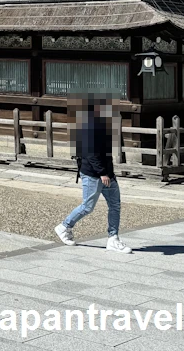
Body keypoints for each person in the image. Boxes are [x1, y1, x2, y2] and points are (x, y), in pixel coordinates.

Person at [54, 96, 133, 253]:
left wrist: (109, 173)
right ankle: (64, 226)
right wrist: (103, 173)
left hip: (107, 174)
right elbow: (91, 154)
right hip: (93, 174)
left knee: (115, 205)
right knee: (87, 207)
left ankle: (113, 238)